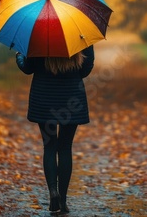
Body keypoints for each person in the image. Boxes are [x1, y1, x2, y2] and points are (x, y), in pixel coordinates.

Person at [16, 45, 95, 213]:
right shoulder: (79, 32)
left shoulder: (38, 34)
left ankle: (53, 191)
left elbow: (28, 68)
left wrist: (19, 56)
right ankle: (63, 200)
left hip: (44, 97)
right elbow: (86, 68)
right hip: (71, 97)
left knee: (49, 146)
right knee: (65, 147)